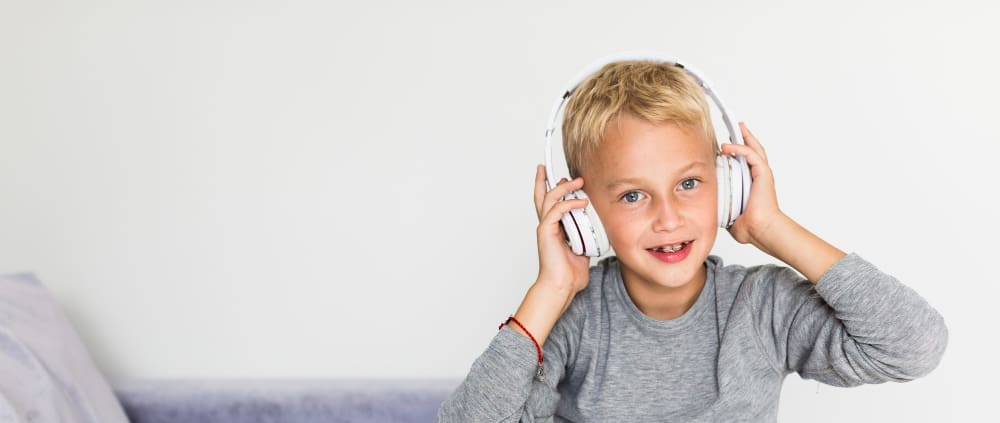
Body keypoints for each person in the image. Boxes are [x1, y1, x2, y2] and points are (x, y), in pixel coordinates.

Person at [435, 59, 948, 422]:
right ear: (585, 214)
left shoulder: (761, 307)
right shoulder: (576, 316)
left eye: (688, 184)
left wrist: (770, 227)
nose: (668, 217)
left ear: (727, 188)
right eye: (633, 195)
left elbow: (914, 346)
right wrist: (549, 291)